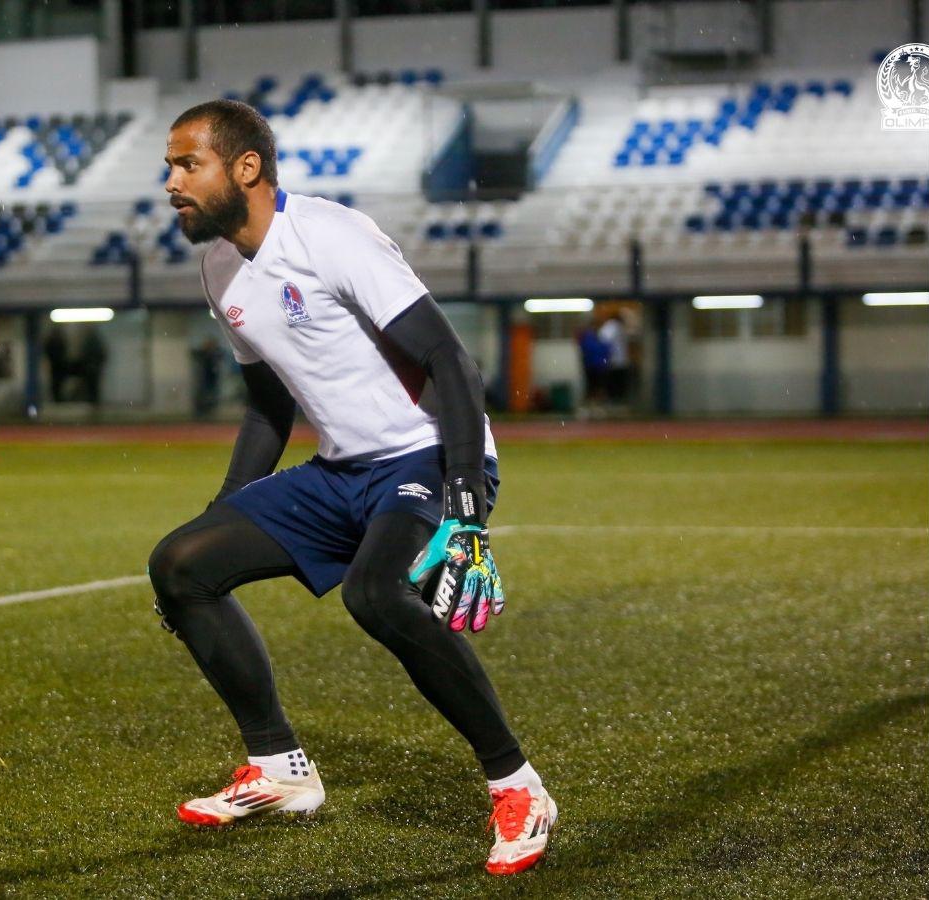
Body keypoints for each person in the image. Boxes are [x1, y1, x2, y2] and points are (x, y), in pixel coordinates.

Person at [147, 100, 555, 876]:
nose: (171, 182)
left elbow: (451, 362)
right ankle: (279, 771)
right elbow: (270, 403)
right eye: (169, 166)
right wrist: (224, 510)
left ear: (246, 169)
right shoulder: (218, 266)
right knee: (182, 566)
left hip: (424, 458)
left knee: (376, 595)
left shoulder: (331, 235)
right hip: (342, 470)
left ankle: (519, 785)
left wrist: (467, 505)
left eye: (185, 164)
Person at [598, 310, 630, 404]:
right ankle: (615, 401)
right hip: (614, 360)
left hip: (617, 360)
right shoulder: (612, 326)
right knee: (615, 384)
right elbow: (604, 339)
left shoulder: (616, 326)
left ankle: (616, 400)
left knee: (616, 383)